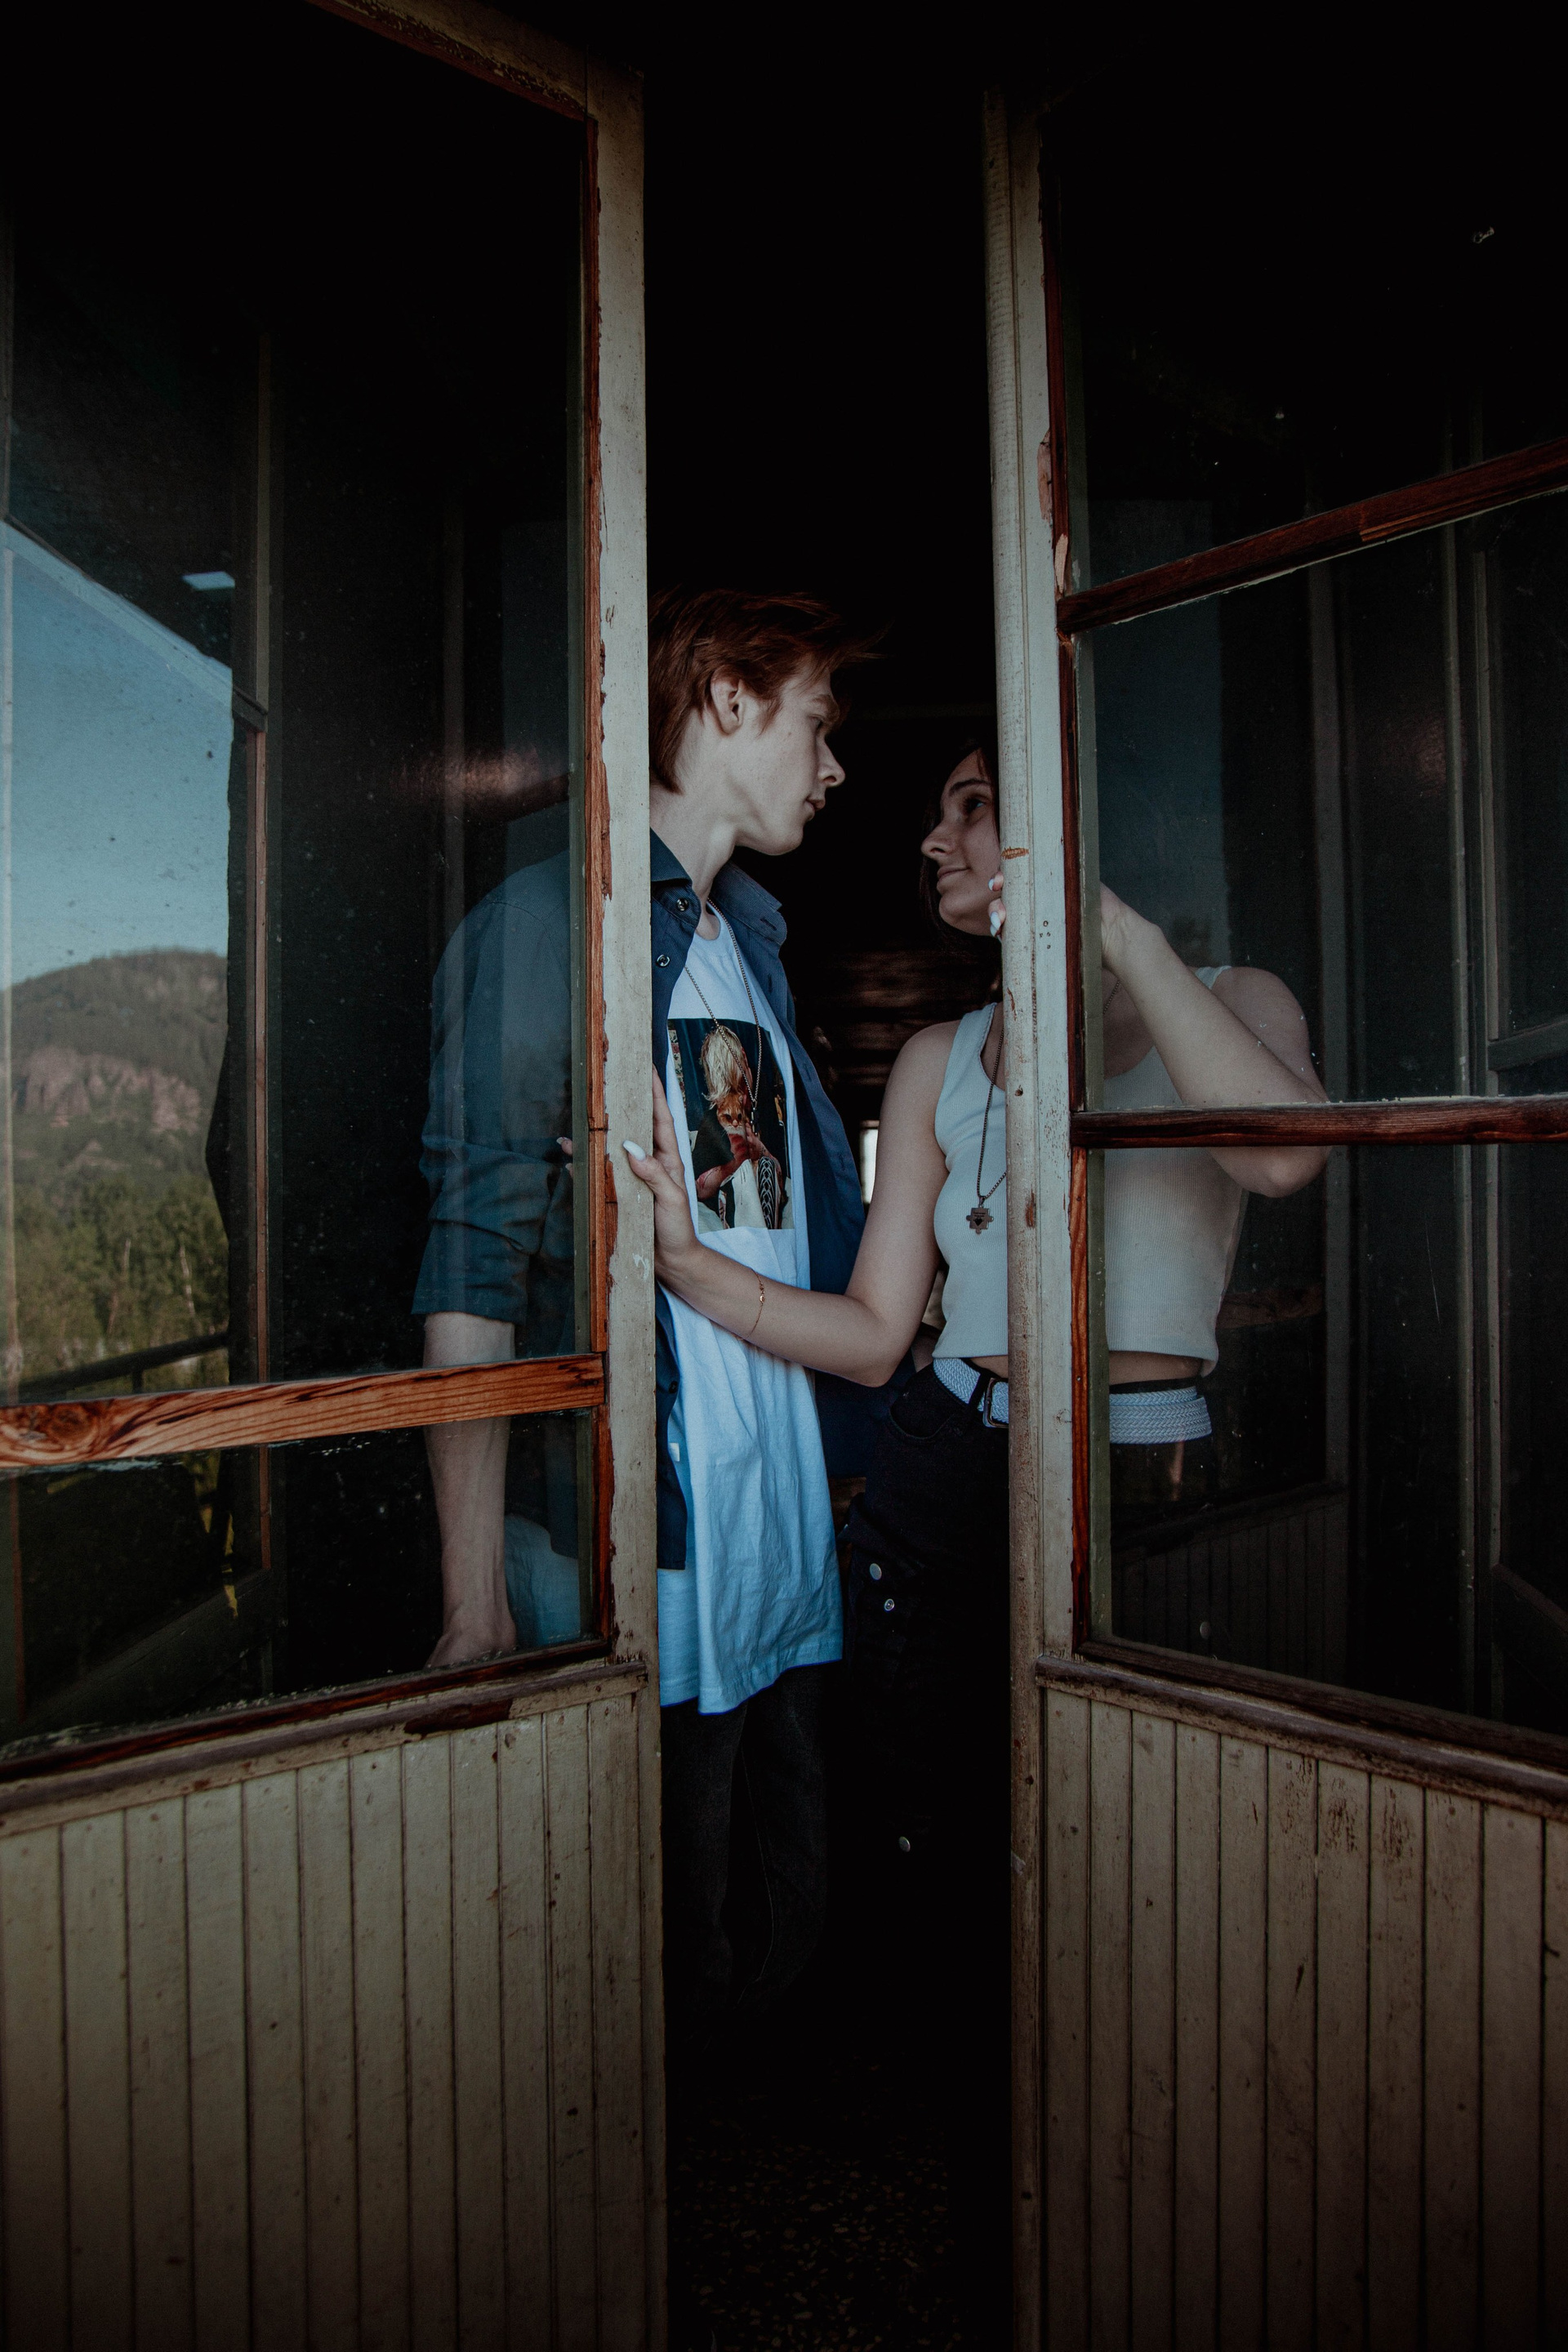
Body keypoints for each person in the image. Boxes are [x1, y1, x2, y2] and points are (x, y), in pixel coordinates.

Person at [626, 732, 1330, 2301]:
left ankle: (1149, 2195)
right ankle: (982, 2196)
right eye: (945, 815)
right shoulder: (943, 1053)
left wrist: (1106, 924)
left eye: (973, 806)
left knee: (1146, 1836)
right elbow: (877, 1334)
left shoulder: (1233, 994)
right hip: (946, 1461)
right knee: (942, 1838)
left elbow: (1284, 1154)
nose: (937, 839)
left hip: (1137, 1477)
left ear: (1070, 810)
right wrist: (689, 1267)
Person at [413, 590, 880, 2100]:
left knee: (783, 1906)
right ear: (728, 699)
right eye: (818, 721)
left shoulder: (752, 946)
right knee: (636, 1959)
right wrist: (474, 1599)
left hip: (781, 1527)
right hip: (649, 1547)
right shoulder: (553, 928)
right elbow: (474, 1269)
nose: (835, 766)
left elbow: (770, 1236)